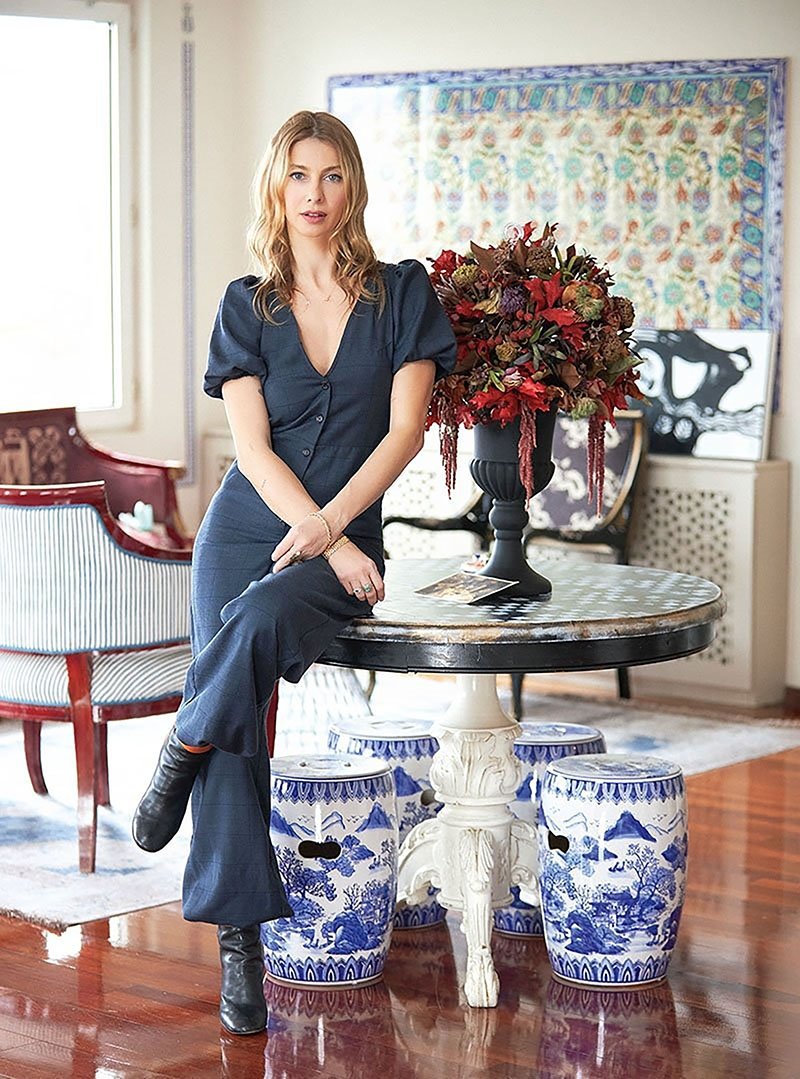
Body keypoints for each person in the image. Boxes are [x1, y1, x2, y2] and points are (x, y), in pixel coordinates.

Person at [131, 110, 456, 1035]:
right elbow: (251, 450)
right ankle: (241, 947)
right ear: (276, 187)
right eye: (299, 175)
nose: (315, 194)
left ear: (354, 187)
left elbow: (405, 433)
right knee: (241, 714)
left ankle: (181, 742)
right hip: (248, 526)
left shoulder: (402, 294)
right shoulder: (247, 304)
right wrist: (321, 532)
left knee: (246, 638)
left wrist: (338, 531)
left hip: (342, 538)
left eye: (332, 175)